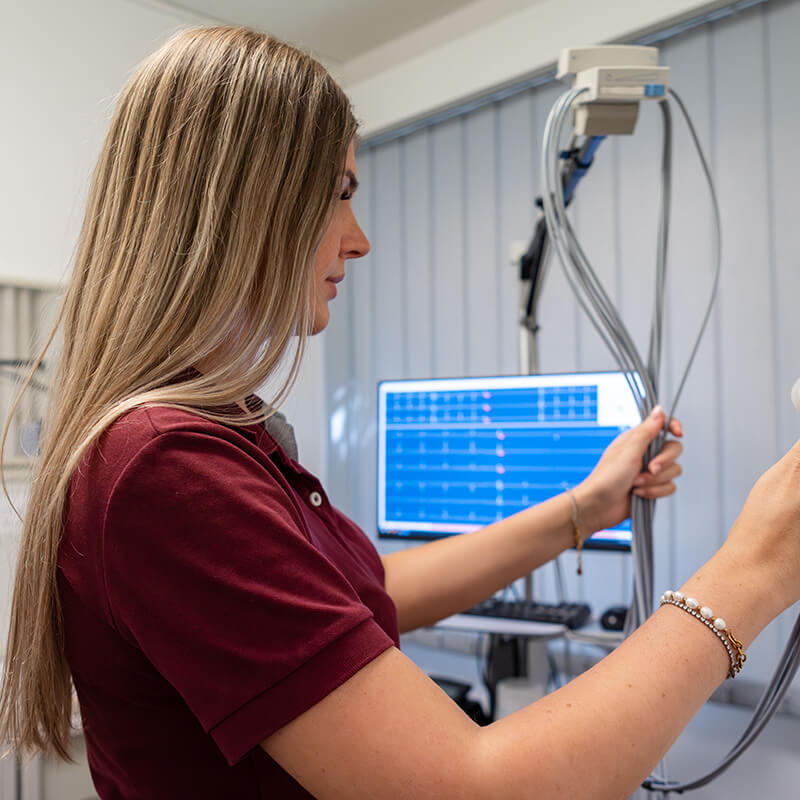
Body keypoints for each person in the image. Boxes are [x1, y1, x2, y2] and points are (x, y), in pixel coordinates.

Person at [1, 25, 799, 800]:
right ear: (247, 201)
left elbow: (365, 587)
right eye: (339, 195)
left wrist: (584, 509)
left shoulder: (209, 435)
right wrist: (755, 568)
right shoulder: (164, 468)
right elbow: (474, 789)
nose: (359, 240)